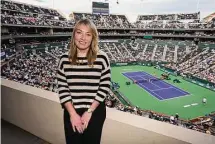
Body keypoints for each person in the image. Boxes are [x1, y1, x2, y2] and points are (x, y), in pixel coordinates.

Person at [57, 19, 111, 144]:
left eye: (88, 34)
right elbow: (63, 88)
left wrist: (89, 111)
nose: (83, 38)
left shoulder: (102, 57)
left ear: (93, 37)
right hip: (72, 110)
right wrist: (73, 114)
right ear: (74, 34)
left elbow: (104, 86)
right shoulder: (64, 59)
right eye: (79, 32)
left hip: (95, 111)